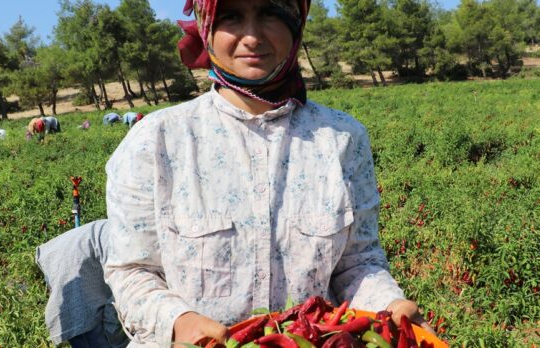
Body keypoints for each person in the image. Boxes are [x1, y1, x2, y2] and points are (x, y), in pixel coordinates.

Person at [103, 1, 436, 347]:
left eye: (270, 13)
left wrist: (389, 304)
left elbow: (357, 264)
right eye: (231, 16)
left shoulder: (342, 138)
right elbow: (131, 271)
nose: (252, 36)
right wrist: (178, 321)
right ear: (206, 29)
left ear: (295, 24)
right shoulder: (156, 140)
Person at [35, 220, 129, 348]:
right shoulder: (137, 258)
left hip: (65, 255)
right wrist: (120, 344)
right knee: (93, 335)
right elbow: (115, 308)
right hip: (72, 267)